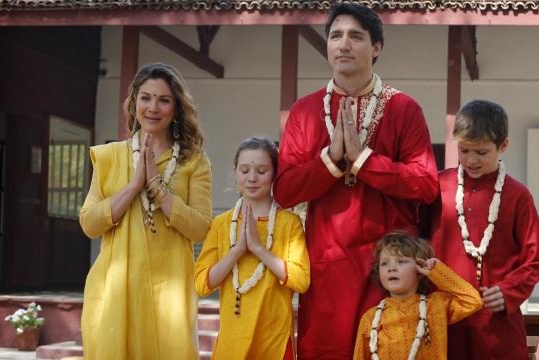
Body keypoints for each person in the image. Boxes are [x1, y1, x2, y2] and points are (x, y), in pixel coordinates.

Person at [273, 3, 439, 358]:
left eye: (355, 37)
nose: (343, 44)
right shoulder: (305, 110)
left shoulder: (403, 109)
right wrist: (331, 161)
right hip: (328, 264)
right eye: (335, 36)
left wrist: (364, 161)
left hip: (390, 266)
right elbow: (284, 190)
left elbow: (425, 183)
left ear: (376, 47)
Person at [79, 63, 212, 359]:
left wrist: (157, 187)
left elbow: (200, 228)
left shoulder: (193, 162)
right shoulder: (110, 156)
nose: (153, 107)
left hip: (170, 294)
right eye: (146, 98)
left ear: (176, 108)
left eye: (164, 100)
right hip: (115, 292)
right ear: (134, 102)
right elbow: (89, 224)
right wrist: (133, 185)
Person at [428, 100, 539, 359]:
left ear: (503, 145)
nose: (471, 160)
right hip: (443, 318)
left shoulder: (517, 195)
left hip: (496, 323)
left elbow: (536, 255)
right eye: (464, 150)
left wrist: (509, 292)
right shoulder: (437, 186)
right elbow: (412, 242)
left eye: (481, 152)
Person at [194, 137, 310, 359]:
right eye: (245, 170)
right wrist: (237, 252)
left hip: (274, 341)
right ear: (235, 173)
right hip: (232, 343)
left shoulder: (289, 223)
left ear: (275, 174)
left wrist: (258, 249)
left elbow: (301, 280)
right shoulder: (222, 224)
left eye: (261, 171)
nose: (252, 178)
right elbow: (201, 284)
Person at [353, 232, 482, 360]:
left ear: (419, 269)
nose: (391, 268)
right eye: (384, 263)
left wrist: (436, 271)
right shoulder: (371, 318)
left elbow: (473, 301)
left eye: (401, 261)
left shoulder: (436, 305)